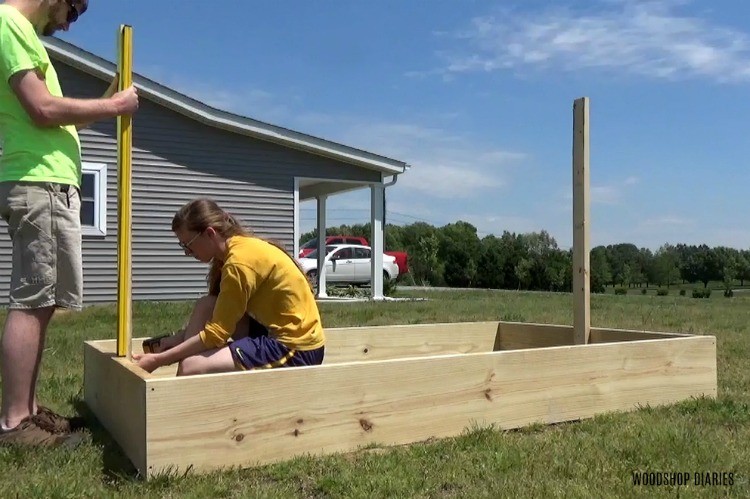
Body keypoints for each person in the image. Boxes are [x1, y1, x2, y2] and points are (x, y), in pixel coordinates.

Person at [0, 0, 139, 446]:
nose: (70, 23)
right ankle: (15, 421)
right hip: (38, 182)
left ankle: (29, 410)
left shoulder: (19, 31)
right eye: (73, 10)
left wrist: (103, 104)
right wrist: (113, 106)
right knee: (33, 297)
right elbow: (41, 109)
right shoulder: (8, 23)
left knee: (41, 301)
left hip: (46, 183)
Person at [133, 199, 325, 376]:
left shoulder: (238, 263)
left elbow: (217, 334)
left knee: (192, 366)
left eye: (188, 245)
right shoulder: (235, 251)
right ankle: (190, 372)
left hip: (296, 348)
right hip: (272, 331)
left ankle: (185, 402)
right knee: (207, 305)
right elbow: (220, 319)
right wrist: (177, 340)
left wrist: (160, 359)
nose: (187, 253)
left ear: (210, 233)